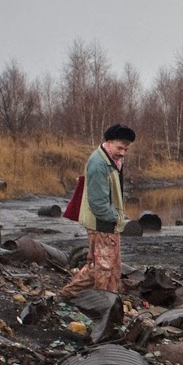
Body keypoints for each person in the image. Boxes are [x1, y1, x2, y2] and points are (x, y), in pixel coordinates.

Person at [61, 123, 135, 297]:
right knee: (105, 268)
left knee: (105, 266)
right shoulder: (99, 164)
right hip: (102, 223)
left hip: (108, 222)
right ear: (108, 142)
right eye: (120, 148)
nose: (123, 153)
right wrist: (116, 217)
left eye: (126, 149)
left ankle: (67, 295)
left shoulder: (112, 160)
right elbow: (98, 203)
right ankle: (104, 305)